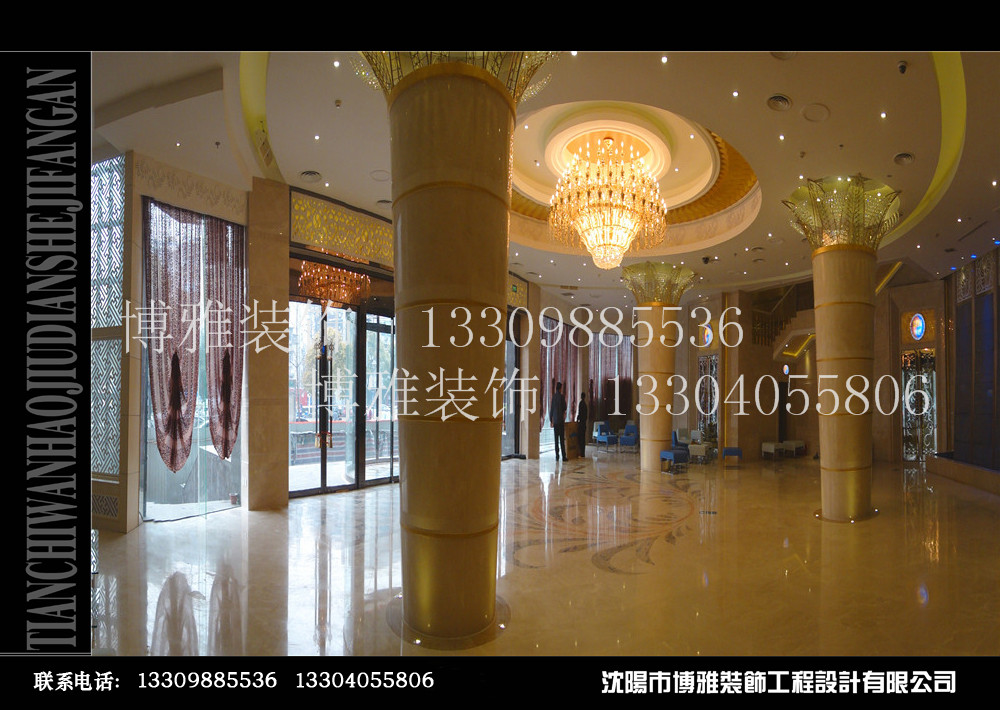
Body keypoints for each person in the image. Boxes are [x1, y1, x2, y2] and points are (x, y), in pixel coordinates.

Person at [550, 381, 568, 462]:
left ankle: (557, 456)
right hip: (560, 421)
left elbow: (551, 409)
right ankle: (564, 456)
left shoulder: (553, 397)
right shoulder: (561, 397)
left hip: (555, 421)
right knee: (561, 439)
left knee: (556, 440)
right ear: (560, 388)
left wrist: (551, 420)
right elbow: (565, 407)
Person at [576, 393, 588, 457]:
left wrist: (578, 419)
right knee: (583, 438)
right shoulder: (585, 405)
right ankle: (583, 453)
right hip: (584, 423)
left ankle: (580, 452)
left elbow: (580, 413)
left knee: (580, 438)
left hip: (581, 424)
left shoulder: (581, 403)